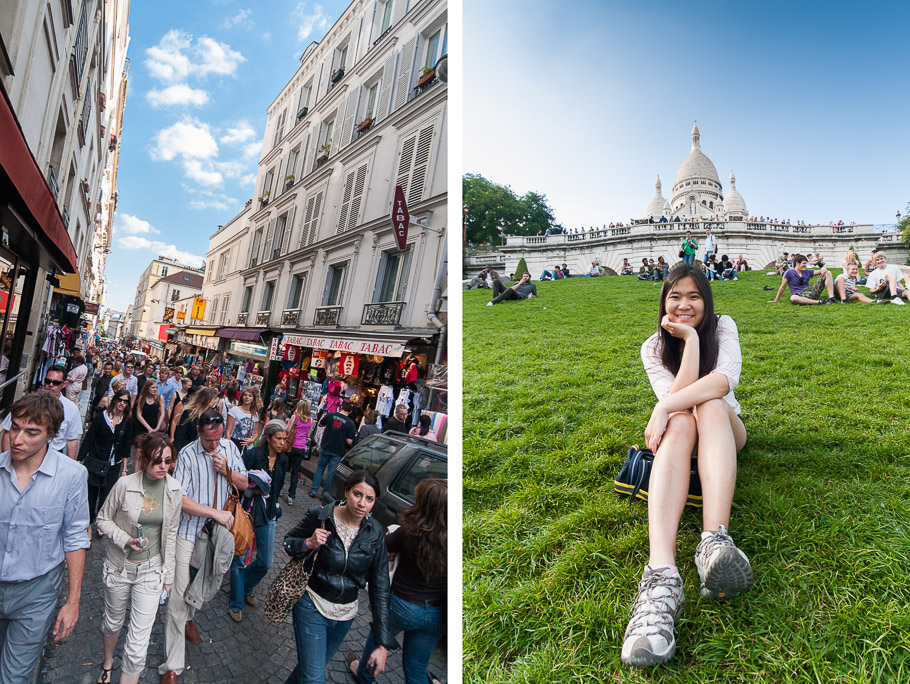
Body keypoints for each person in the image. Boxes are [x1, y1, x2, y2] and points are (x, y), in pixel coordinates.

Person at [622, 264, 751, 667]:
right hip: (682, 436)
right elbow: (676, 397)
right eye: (675, 296)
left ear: (707, 301)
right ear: (662, 300)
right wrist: (688, 347)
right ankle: (661, 573)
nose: (684, 304)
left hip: (724, 428)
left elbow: (721, 383)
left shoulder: (724, 326)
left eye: (694, 296)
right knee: (680, 419)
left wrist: (695, 338)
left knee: (708, 404)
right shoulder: (652, 347)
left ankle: (713, 539)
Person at [0, 391, 90, 683]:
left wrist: (72, 601)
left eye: (31, 432)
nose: (18, 439)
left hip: (36, 593)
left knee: (16, 676)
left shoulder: (72, 476)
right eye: (15, 427)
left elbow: (75, 537)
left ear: (51, 435)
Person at [158, 409, 248, 683]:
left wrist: (228, 472)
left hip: (219, 536)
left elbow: (246, 483)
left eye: (218, 438)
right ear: (199, 432)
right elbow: (180, 500)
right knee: (177, 595)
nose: (214, 445)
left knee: (206, 583)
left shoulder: (230, 448)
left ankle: (188, 616)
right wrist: (212, 512)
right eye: (209, 440)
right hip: (188, 532)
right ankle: (172, 665)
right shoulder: (186, 455)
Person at [283, 470, 398, 684]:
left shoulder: (375, 534)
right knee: (314, 678)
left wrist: (382, 645)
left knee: (307, 671)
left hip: (345, 615)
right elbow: (288, 542)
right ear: (346, 491)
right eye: (357, 494)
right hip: (312, 605)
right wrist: (308, 543)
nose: (362, 503)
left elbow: (380, 586)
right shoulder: (321, 515)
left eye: (369, 499)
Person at [95, 432, 181, 684]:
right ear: (144, 460)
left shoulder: (175, 490)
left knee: (137, 643)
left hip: (151, 571)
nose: (163, 466)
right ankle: (108, 661)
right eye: (157, 461)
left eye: (167, 461)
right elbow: (102, 519)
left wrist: (168, 575)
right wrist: (125, 539)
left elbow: (172, 534)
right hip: (119, 568)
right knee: (112, 624)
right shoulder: (125, 484)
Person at [347, 478, 447, 684]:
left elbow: (382, 548)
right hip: (437, 612)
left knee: (377, 644)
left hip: (403, 605)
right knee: (416, 669)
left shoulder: (410, 531)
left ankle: (364, 676)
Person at [227, 419, 288, 622]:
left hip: (268, 514)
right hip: (248, 512)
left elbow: (278, 487)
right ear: (268, 438)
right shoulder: (253, 455)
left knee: (266, 561)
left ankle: (245, 585)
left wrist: (275, 508)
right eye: (278, 438)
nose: (282, 443)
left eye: (284, 439)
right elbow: (239, 482)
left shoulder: (283, 460)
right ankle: (235, 602)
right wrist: (254, 490)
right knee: (240, 559)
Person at [79, 387, 132, 536]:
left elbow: (126, 446)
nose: (122, 403)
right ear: (115, 400)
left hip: (113, 465)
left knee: (106, 496)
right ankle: (89, 526)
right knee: (91, 496)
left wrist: (124, 468)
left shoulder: (127, 422)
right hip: (96, 462)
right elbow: (89, 439)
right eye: (120, 400)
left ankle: (100, 522)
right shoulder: (102, 417)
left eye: (125, 401)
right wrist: (79, 459)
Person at [1, 365, 82, 459]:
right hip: (25, 455)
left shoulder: (71, 409)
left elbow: (71, 439)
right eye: (48, 381)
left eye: (56, 382)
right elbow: (8, 430)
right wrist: (7, 460)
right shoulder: (26, 402)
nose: (51, 385)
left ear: (64, 384)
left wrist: (70, 468)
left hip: (53, 457)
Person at [309, 400, 356, 500]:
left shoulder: (331, 415)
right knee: (330, 473)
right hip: (338, 451)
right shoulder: (350, 424)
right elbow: (349, 441)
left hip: (326, 446)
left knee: (320, 468)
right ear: (350, 412)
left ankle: (313, 490)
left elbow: (320, 424)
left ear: (341, 407)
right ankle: (324, 494)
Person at [769, 254, 836, 305]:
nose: (805, 265)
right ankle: (820, 302)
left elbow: (820, 271)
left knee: (828, 273)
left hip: (811, 291)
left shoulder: (807, 271)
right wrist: (776, 300)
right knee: (793, 298)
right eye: (804, 263)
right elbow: (782, 287)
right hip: (800, 295)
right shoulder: (789, 273)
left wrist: (824, 268)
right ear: (797, 263)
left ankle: (831, 298)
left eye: (806, 263)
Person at [285, 399, 313, 506]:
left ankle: (280, 490)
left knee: (285, 467)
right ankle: (291, 495)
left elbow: (288, 430)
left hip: (291, 446)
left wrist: (288, 422)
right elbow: (308, 435)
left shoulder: (295, 417)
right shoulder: (311, 420)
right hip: (301, 447)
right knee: (295, 471)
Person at [226, 388, 262, 453]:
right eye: (245, 395)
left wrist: (252, 440)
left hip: (246, 446)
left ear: (253, 399)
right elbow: (228, 432)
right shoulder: (234, 410)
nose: (247, 397)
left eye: (250, 396)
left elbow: (255, 432)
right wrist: (229, 447)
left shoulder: (254, 414)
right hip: (234, 442)